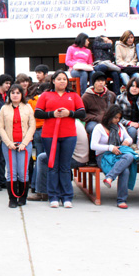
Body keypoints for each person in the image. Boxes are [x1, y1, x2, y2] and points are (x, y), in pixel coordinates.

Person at [35, 69, 85, 208]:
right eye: (59, 79)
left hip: (69, 135)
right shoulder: (46, 95)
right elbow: (38, 113)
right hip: (49, 135)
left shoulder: (73, 95)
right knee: (52, 166)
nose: (62, 81)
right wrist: (52, 114)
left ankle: (67, 196)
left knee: (65, 166)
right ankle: (53, 196)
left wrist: (70, 113)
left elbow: (82, 113)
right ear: (53, 81)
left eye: (64, 79)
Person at [30, 119, 90, 202]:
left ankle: (42, 192)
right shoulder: (74, 121)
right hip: (80, 157)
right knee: (45, 156)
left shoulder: (67, 125)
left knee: (42, 158)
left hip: (76, 158)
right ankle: (39, 188)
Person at [90, 105, 137, 209]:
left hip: (117, 155)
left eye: (119, 118)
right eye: (115, 117)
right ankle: (121, 199)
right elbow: (93, 145)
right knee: (125, 170)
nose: (117, 120)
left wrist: (127, 141)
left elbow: (130, 138)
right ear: (109, 116)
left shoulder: (120, 127)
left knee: (129, 156)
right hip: (103, 156)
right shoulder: (99, 127)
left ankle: (110, 178)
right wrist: (110, 148)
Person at [0, 84, 36, 208]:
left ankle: (23, 197)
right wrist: (8, 143)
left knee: (23, 172)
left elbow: (32, 126)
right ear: (9, 95)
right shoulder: (4, 108)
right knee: (12, 172)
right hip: (9, 145)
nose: (15, 95)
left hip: (25, 144)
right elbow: (0, 127)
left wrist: (24, 143)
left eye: (18, 93)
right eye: (12, 93)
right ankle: (12, 198)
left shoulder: (28, 107)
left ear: (22, 95)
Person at [82, 71, 117, 137]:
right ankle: (94, 146)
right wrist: (96, 117)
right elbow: (82, 114)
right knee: (92, 128)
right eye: (98, 81)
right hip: (94, 121)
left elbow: (116, 109)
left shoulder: (111, 95)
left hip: (109, 120)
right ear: (93, 82)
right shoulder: (86, 97)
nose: (101, 83)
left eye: (103, 80)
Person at [116, 77, 139, 142]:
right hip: (123, 123)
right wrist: (129, 123)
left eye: (137, 87)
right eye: (132, 86)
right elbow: (115, 116)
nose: (134, 88)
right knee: (132, 130)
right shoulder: (120, 98)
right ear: (129, 87)